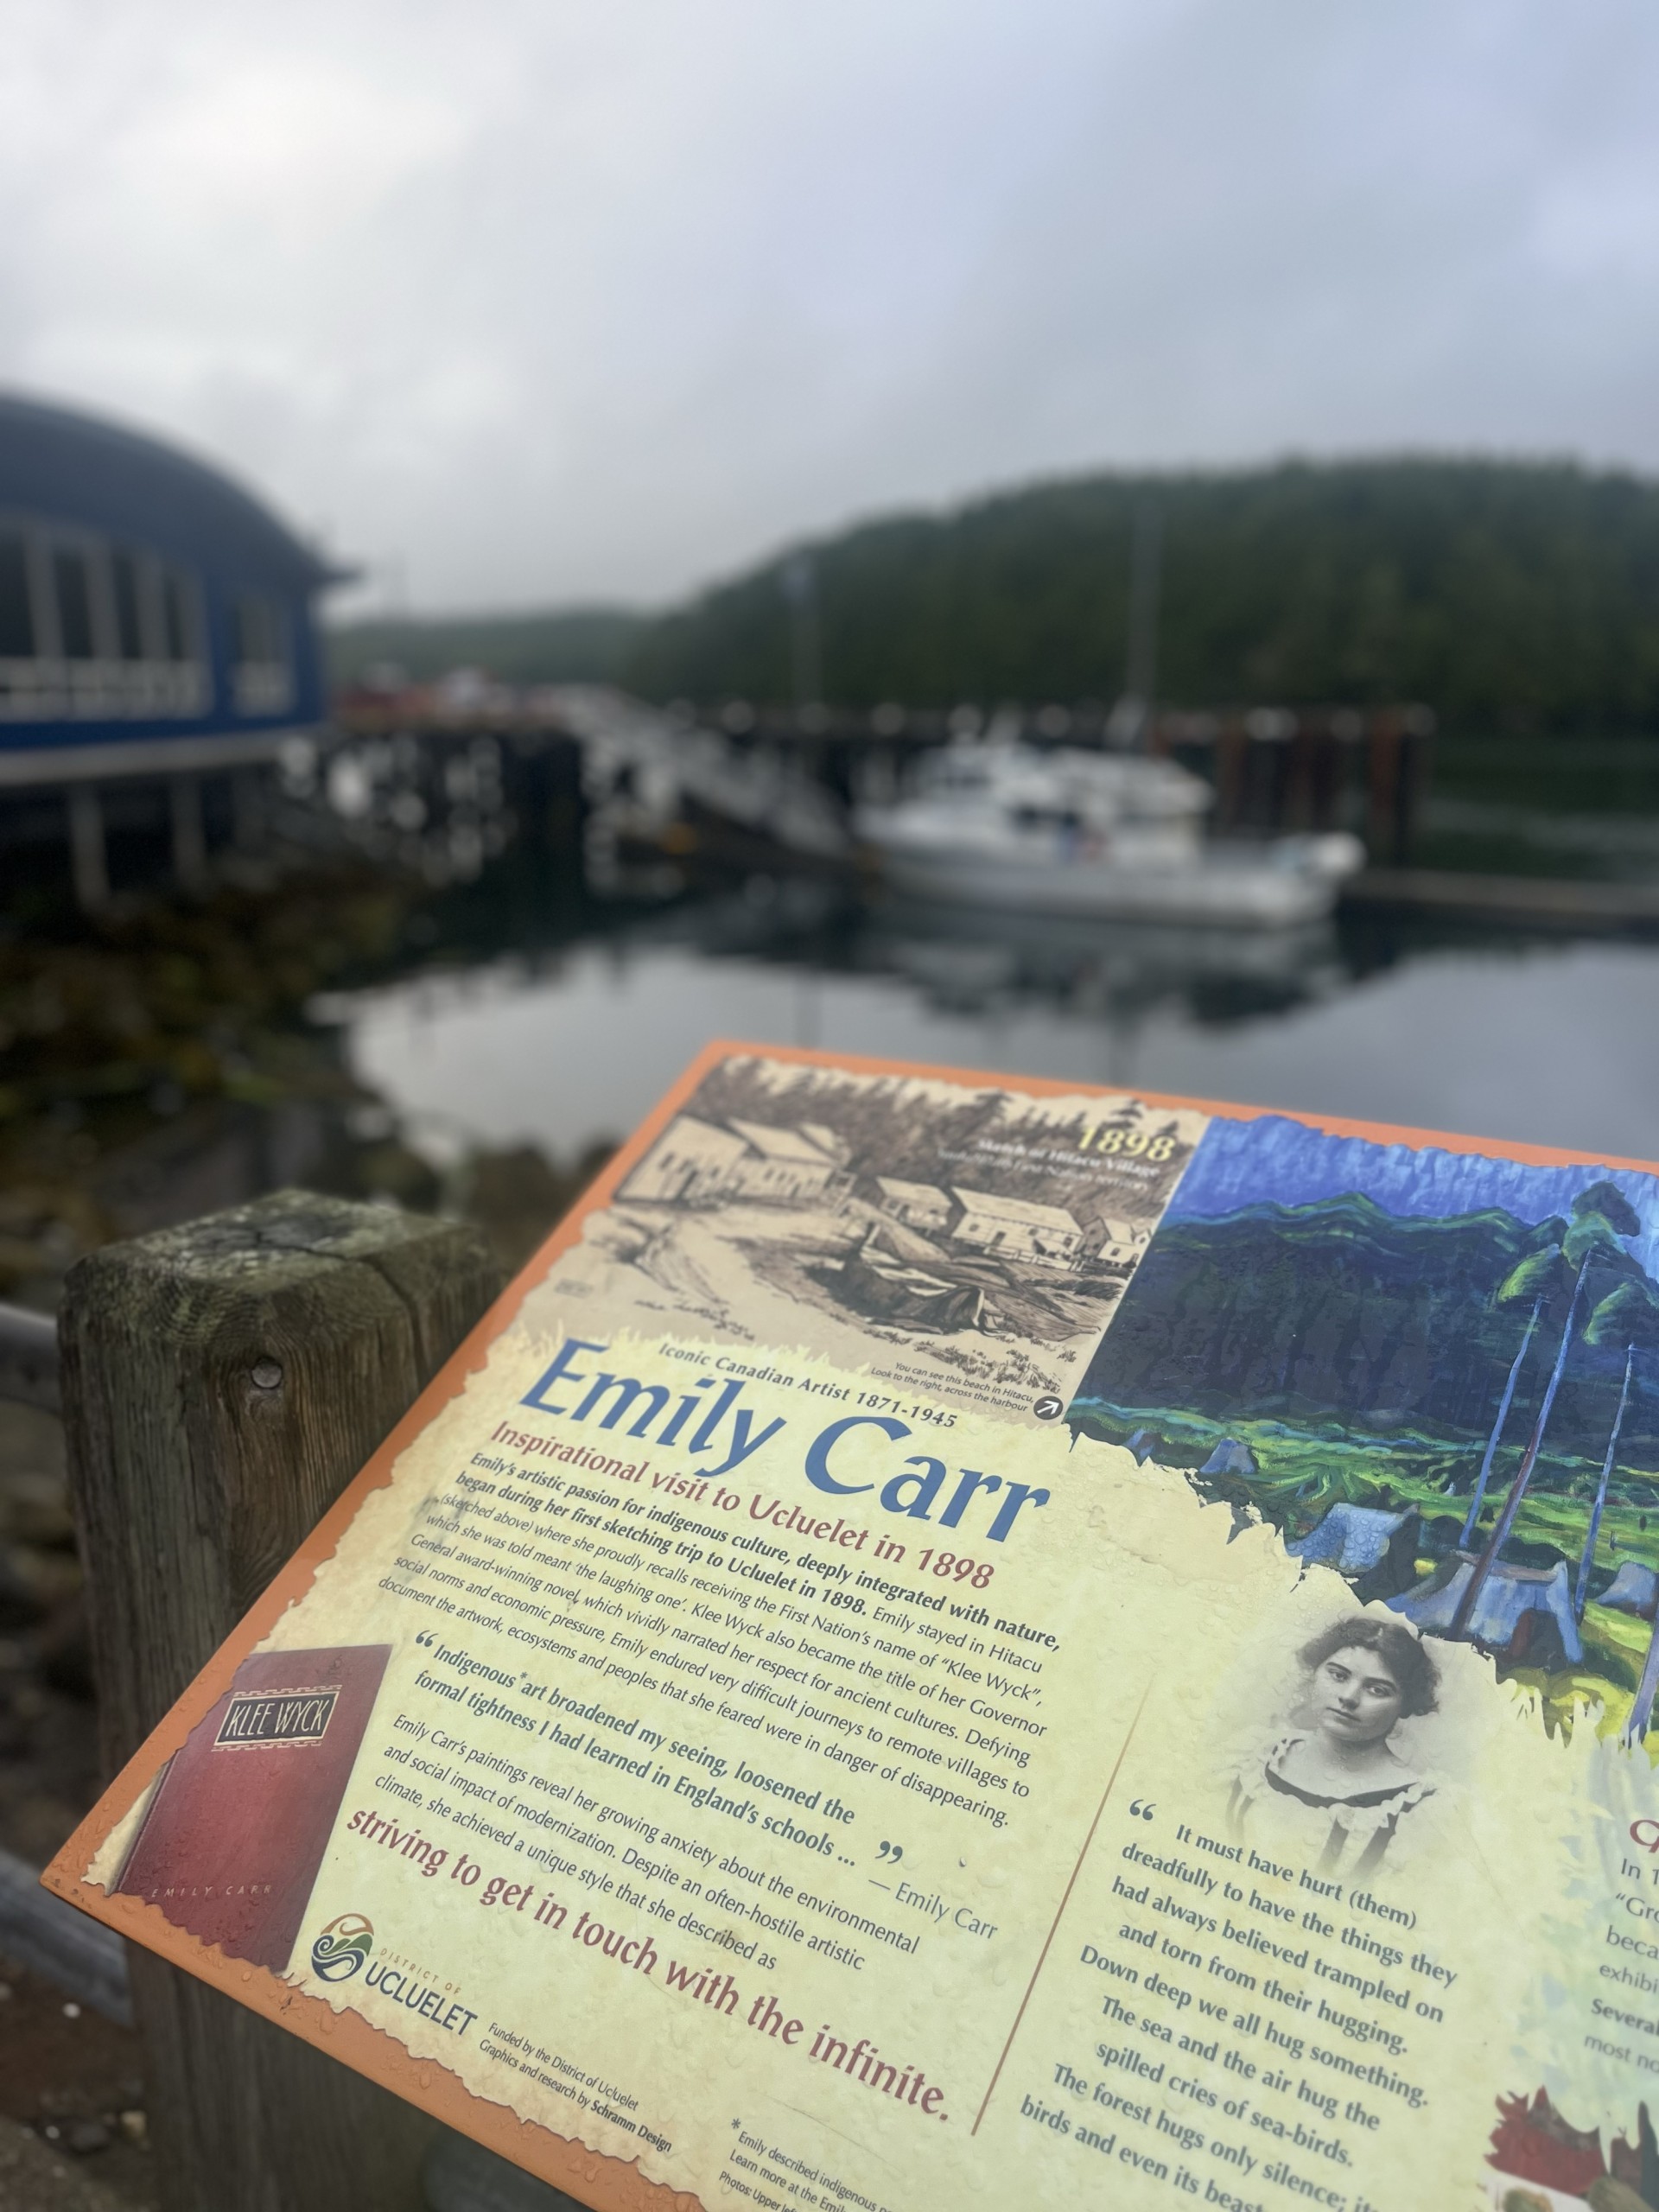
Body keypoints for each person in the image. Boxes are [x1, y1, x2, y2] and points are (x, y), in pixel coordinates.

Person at [1228, 1617, 1439, 1878]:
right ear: (1315, 1673)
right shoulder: (1255, 1757)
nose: (1348, 1697)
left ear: (1406, 1705)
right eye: (1338, 1675)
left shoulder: (1419, 1808)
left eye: (1377, 1689)